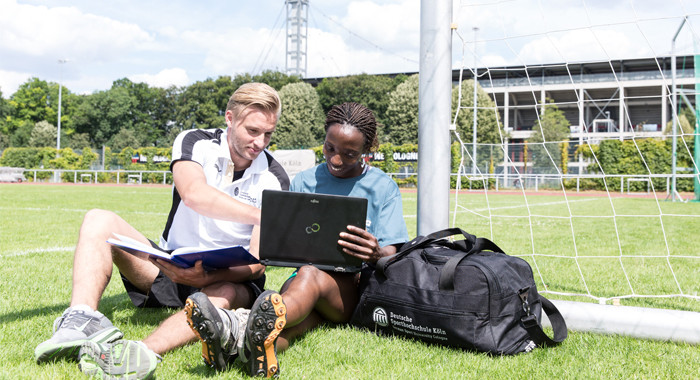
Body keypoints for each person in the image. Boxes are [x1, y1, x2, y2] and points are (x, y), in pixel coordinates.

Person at [34, 83, 290, 380]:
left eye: (268, 134)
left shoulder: (275, 177)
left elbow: (258, 262)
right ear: (230, 118)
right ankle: (81, 320)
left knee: (224, 294)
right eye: (253, 130)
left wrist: (209, 276)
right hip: (170, 266)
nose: (260, 142)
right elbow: (194, 194)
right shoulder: (195, 141)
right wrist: (262, 215)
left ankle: (138, 351)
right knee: (98, 218)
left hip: (227, 279)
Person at [184, 102, 409, 377]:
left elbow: (393, 255)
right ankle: (238, 352)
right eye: (330, 148)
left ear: (367, 150)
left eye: (350, 155)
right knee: (298, 322)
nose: (336, 160)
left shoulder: (383, 186)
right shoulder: (304, 180)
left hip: (351, 291)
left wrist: (375, 252)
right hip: (302, 283)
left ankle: (238, 323)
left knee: (309, 275)